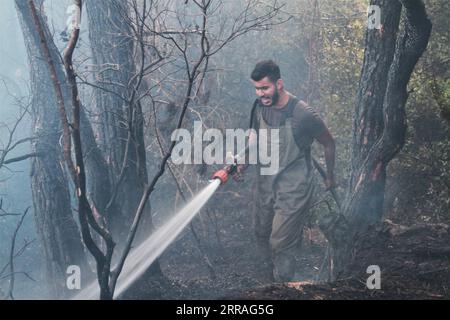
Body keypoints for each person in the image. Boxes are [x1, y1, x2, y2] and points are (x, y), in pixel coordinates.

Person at [214, 60, 336, 282]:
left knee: (280, 241)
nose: (260, 94)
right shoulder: (260, 106)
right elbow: (254, 137)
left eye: (265, 88)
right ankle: (268, 285)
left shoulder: (303, 114)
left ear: (279, 84)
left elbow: (329, 143)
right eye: (257, 89)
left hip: (294, 185)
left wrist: (330, 176)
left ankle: (285, 286)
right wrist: (242, 161)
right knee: (261, 233)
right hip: (266, 180)